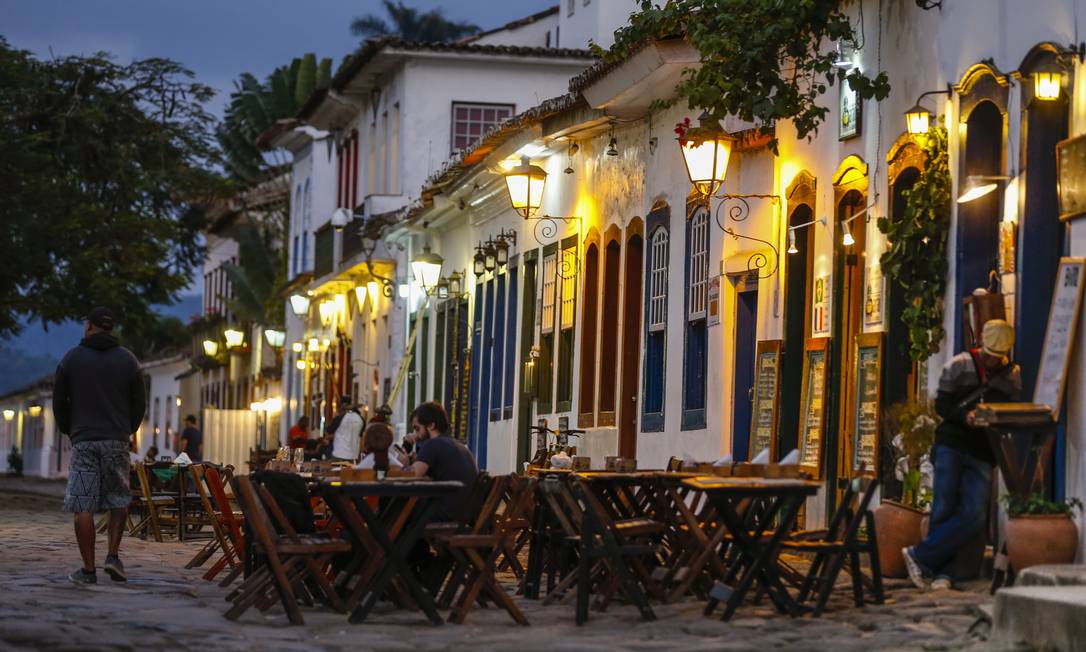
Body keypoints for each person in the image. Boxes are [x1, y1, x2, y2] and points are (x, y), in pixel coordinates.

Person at [903, 319, 1020, 591]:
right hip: (952, 443)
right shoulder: (958, 365)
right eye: (989, 354)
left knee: (975, 513)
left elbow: (1010, 407)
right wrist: (963, 416)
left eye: (998, 356)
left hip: (983, 450)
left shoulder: (1011, 374)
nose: (993, 361)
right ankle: (943, 573)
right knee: (943, 507)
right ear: (980, 342)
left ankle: (920, 556)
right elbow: (941, 403)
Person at [53, 307, 145, 586]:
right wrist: (127, 429)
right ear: (110, 328)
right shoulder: (128, 360)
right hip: (116, 440)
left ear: (89, 326)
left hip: (84, 440)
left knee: (83, 504)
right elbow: (139, 403)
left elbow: (59, 401)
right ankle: (113, 556)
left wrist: (69, 429)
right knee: (119, 499)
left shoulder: (71, 359)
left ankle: (88, 569)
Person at [405, 401, 478, 523]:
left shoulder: (433, 444)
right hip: (464, 516)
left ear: (431, 425)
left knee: (398, 507)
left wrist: (405, 461)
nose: (416, 435)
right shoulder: (457, 445)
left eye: (417, 429)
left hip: (444, 516)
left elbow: (411, 476)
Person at [329, 395, 365, 462]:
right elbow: (361, 438)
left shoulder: (339, 418)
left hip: (338, 454)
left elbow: (329, 433)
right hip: (353, 456)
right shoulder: (361, 419)